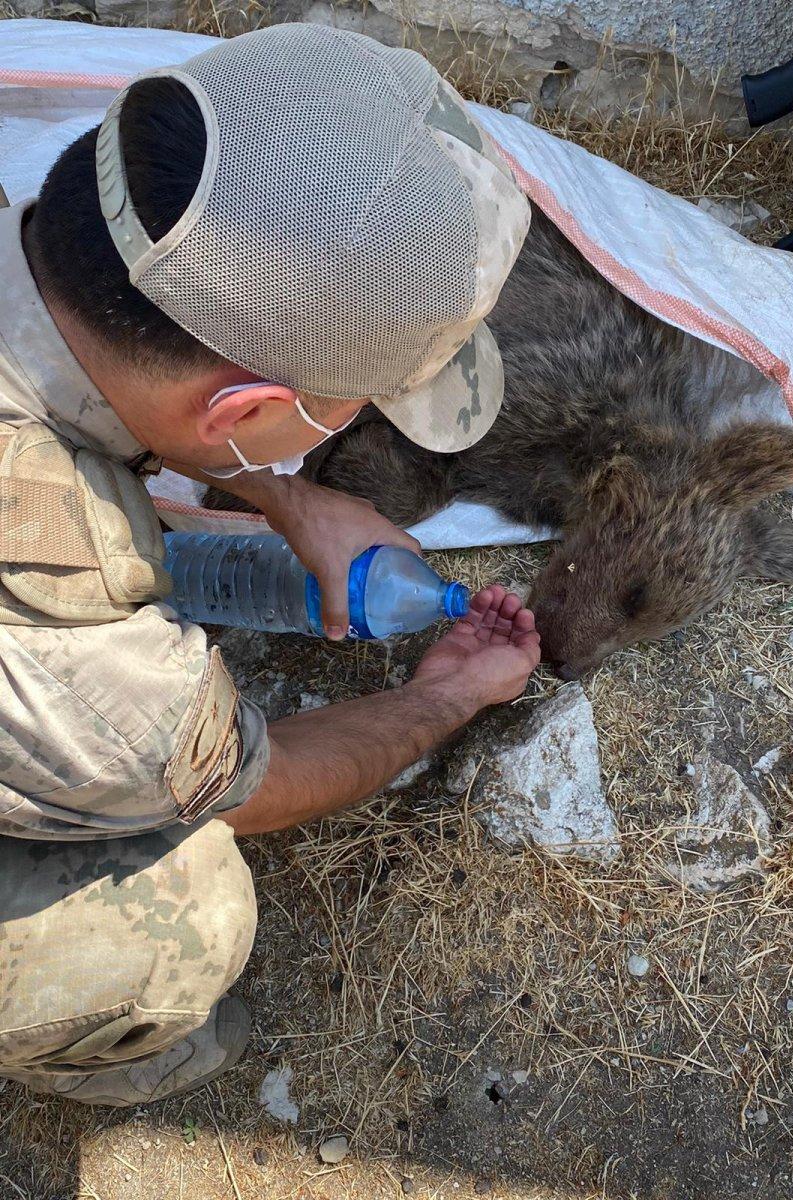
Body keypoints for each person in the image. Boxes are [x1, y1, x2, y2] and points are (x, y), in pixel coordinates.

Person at [0, 23, 539, 1106]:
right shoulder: (84, 657)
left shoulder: (56, 244)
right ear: (244, 409)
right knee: (183, 920)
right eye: (354, 404)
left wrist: (291, 497)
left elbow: (143, 386)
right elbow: (248, 783)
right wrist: (444, 698)